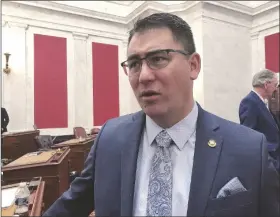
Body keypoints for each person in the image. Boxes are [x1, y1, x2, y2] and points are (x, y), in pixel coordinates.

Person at [43, 13, 279, 217]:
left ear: (193, 65)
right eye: (134, 63)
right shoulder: (110, 139)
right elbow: (70, 208)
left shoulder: (248, 149)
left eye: (158, 59)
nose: (144, 76)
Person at [239, 70, 280, 171]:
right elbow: (248, 136)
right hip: (268, 163)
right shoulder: (249, 102)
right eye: (275, 85)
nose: (276, 89)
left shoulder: (262, 102)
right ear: (266, 84)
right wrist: (270, 164)